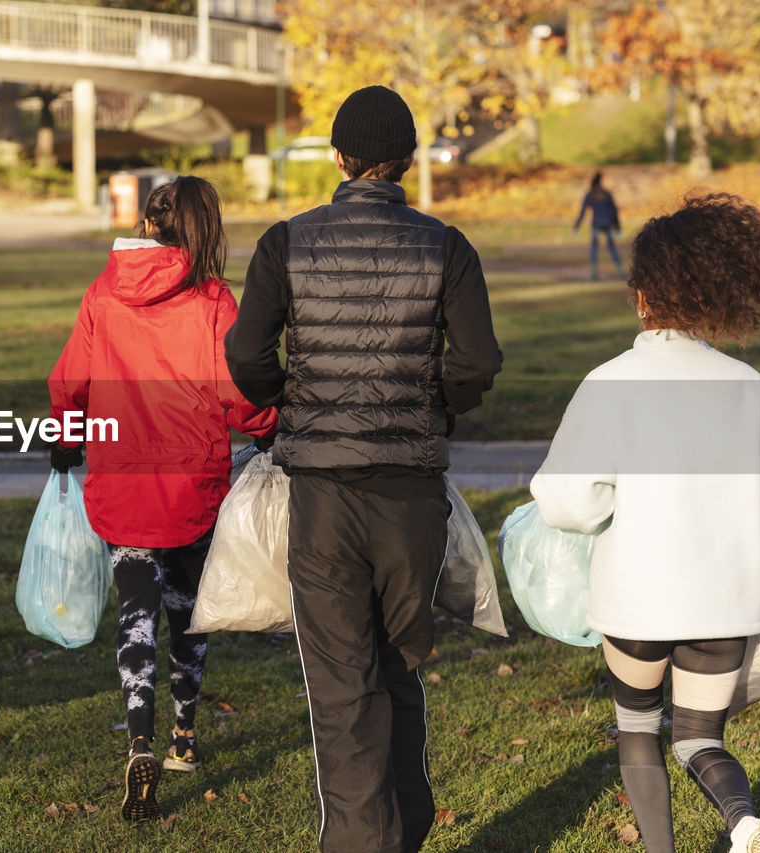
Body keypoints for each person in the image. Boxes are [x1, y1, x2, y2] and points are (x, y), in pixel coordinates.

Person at [224, 86, 502, 852]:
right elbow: (477, 361)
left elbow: (246, 356)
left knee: (344, 688)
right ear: (407, 160)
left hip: (325, 496)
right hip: (413, 494)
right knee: (399, 664)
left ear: (340, 159)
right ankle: (405, 832)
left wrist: (293, 406)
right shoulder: (448, 247)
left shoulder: (287, 242)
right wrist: (434, 406)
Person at [530, 193, 760, 853]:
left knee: (639, 729)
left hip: (637, 604)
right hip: (725, 605)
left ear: (643, 294)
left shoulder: (609, 381)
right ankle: (740, 820)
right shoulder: (749, 386)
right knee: (702, 736)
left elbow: (567, 502)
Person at [48, 176, 278, 821]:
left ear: (147, 225)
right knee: (187, 609)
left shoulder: (103, 291)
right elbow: (240, 393)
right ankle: (183, 737)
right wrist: (269, 430)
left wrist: (66, 437)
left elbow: (70, 383)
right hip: (192, 483)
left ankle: (138, 741)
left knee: (136, 615)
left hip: (120, 476)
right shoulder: (212, 301)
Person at [574, 171, 624, 280]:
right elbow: (614, 211)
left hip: (596, 224)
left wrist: (576, 226)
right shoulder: (606, 194)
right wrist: (618, 227)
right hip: (608, 224)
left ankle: (593, 274)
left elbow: (582, 212)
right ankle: (621, 272)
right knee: (612, 248)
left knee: (594, 249)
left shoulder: (590, 195)